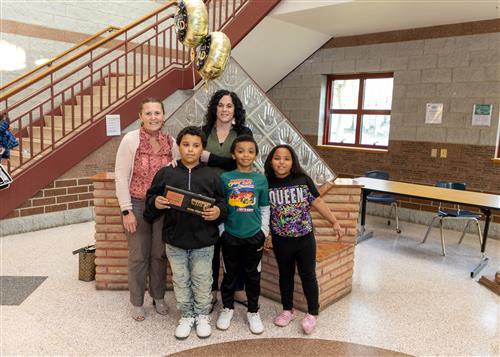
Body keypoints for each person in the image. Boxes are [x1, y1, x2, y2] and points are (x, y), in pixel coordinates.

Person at [144, 126, 227, 340]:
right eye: (186, 145)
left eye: (196, 146)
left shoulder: (211, 176)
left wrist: (218, 211)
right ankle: (187, 315)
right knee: (180, 280)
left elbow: (222, 203)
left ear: (202, 149)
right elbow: (149, 202)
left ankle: (201, 315)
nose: (190, 150)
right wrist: (157, 202)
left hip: (204, 241)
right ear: (178, 147)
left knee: (202, 280)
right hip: (175, 240)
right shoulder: (166, 173)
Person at [263, 144, 343, 334]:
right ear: (271, 161)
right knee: (286, 276)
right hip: (282, 241)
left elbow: (317, 202)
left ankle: (312, 313)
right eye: (277, 158)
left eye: (286, 158)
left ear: (293, 162)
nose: (281, 162)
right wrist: (267, 235)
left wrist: (334, 222)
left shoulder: (303, 180)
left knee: (308, 275)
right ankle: (287, 310)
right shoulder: (267, 183)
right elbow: (265, 213)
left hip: (305, 239)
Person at [114, 97, 178, 321]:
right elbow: (121, 177)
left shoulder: (171, 142)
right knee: (139, 256)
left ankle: (158, 297)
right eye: (148, 113)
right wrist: (126, 210)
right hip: (138, 205)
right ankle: (137, 302)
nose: (153, 118)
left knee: (159, 255)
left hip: (163, 206)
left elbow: (181, 169)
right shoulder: (131, 140)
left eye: (157, 113)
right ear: (140, 116)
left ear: (163, 115)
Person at [201, 89, 252, 309]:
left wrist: (210, 157)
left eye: (229, 106)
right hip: (208, 196)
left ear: (235, 110)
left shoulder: (243, 132)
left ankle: (238, 289)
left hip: (236, 195)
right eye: (220, 105)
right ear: (214, 108)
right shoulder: (203, 131)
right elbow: (194, 157)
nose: (224, 109)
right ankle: (212, 290)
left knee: (236, 245)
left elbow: (239, 162)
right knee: (212, 246)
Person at [216, 135, 269, 335]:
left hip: (254, 236)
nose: (245, 155)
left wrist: (263, 232)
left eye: (250, 151)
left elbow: (265, 208)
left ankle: (253, 311)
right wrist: (222, 231)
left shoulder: (261, 178)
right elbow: (220, 206)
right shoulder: (225, 178)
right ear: (233, 154)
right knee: (230, 275)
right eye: (240, 151)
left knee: (253, 276)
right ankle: (227, 308)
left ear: (255, 155)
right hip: (230, 235)